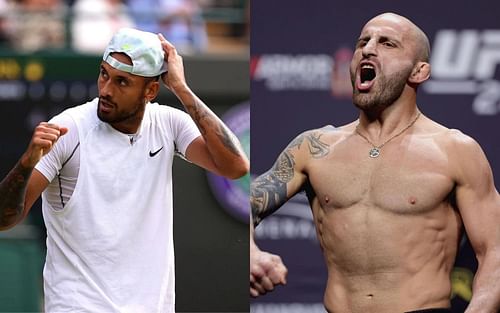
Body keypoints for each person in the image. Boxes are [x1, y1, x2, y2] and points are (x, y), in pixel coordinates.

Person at [250, 12, 500, 313]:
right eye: (363, 42)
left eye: (387, 44)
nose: (368, 49)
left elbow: (495, 252)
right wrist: (250, 254)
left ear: (419, 71)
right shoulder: (314, 148)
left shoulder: (455, 151)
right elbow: (247, 206)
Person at [0, 27, 249, 312]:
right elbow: (5, 219)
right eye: (104, 74)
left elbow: (236, 167)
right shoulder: (68, 129)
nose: (106, 89)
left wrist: (181, 88)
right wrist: (27, 162)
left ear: (151, 90)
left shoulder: (169, 124)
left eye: (122, 82)